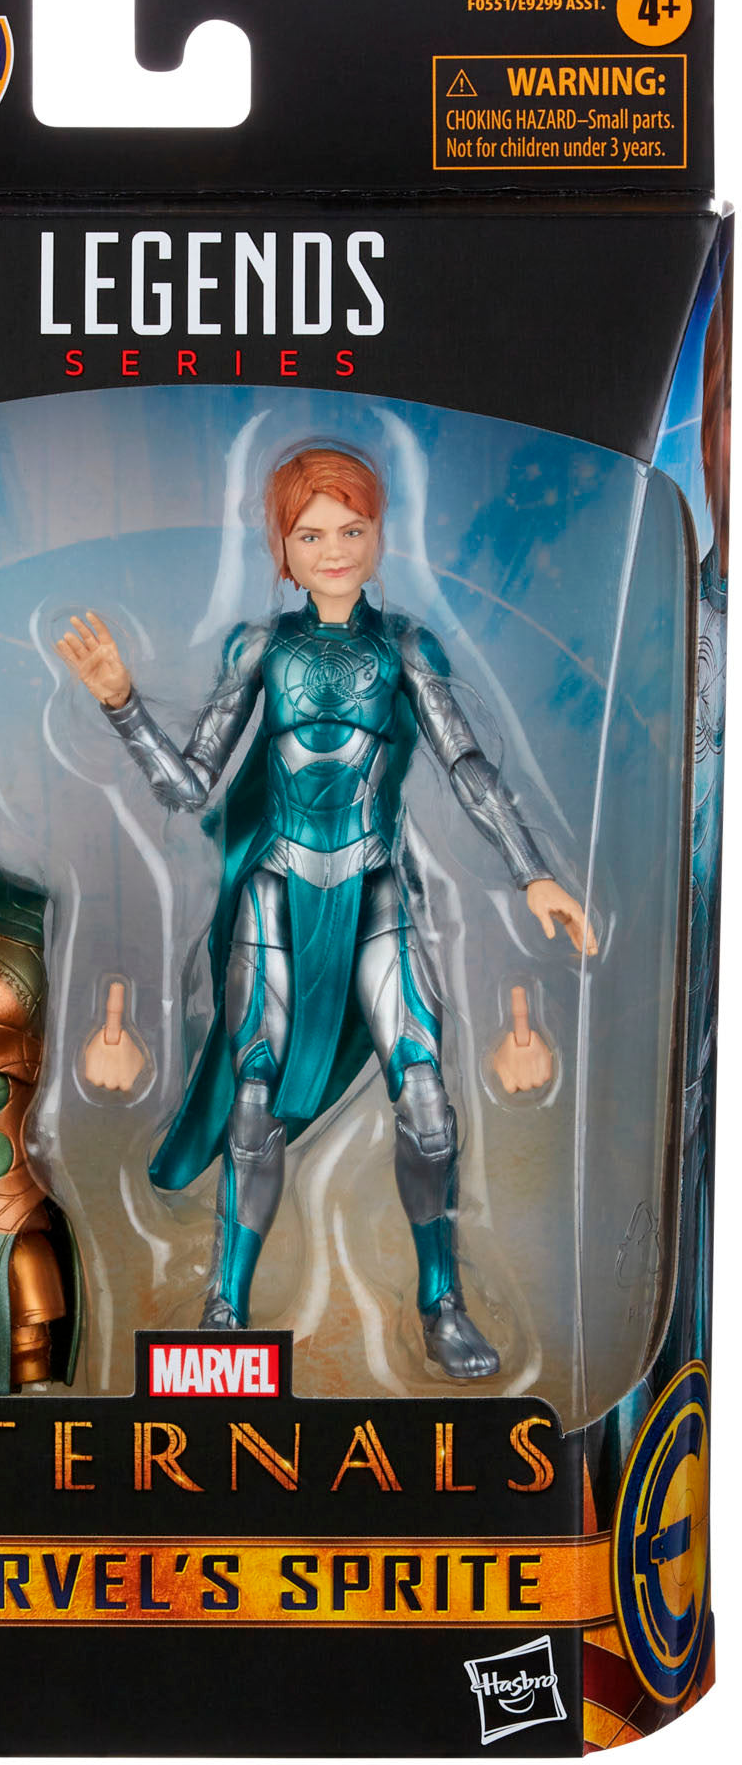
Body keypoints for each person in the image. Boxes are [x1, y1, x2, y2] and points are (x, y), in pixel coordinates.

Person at [58, 446, 595, 1377]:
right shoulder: (259, 649)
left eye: (352, 529)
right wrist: (122, 704)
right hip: (276, 890)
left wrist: (532, 872)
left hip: (377, 889)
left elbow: (467, 767)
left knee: (427, 1103)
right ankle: (225, 1304)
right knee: (252, 1100)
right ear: (282, 548)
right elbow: (189, 785)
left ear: (380, 534)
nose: (335, 549)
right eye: (311, 534)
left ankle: (442, 1304)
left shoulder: (407, 649)